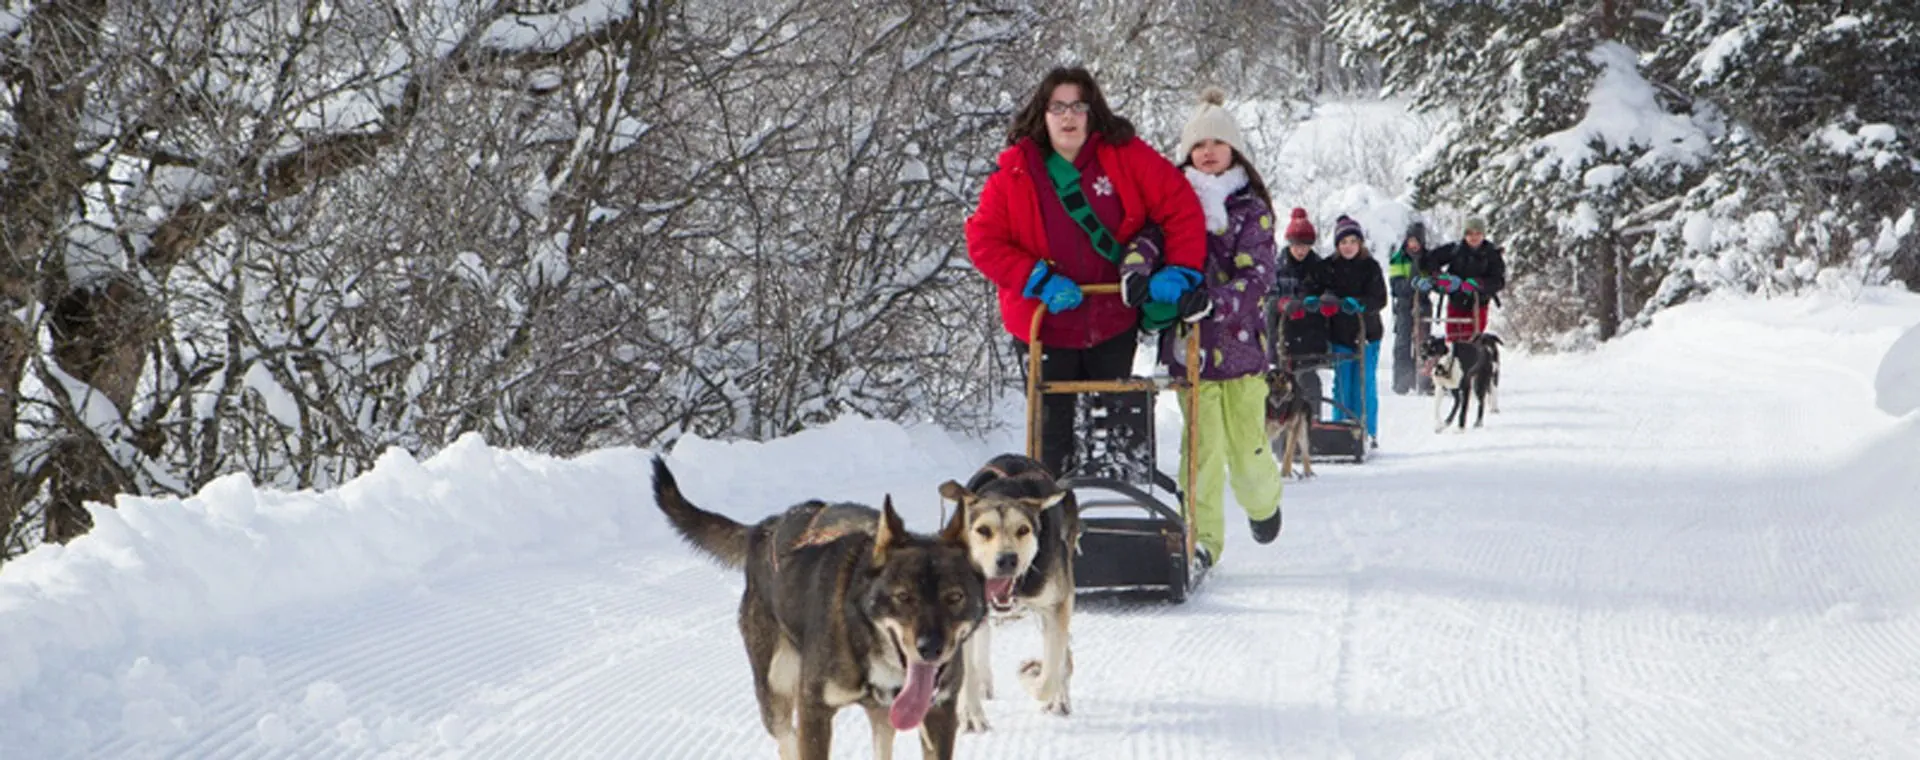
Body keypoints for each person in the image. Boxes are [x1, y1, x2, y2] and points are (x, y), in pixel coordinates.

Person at [965, 66, 1207, 478]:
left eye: (1077, 105)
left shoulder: (1125, 155)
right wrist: (1035, 279)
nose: (1068, 117)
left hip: (1111, 316)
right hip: (1046, 322)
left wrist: (1180, 270)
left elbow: (1179, 206)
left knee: (1113, 428)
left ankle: (1113, 520)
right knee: (1051, 436)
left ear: (1092, 112)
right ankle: (1052, 522)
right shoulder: (1016, 171)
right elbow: (984, 241)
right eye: (1057, 107)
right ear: (1043, 115)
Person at [1132, 87, 1283, 568]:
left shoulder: (1250, 209)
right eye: (1199, 145)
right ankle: (1201, 542)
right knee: (1200, 455)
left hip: (1240, 355)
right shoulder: (1173, 203)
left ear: (1233, 149)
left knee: (1246, 454)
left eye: (1217, 143)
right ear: (1187, 154)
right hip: (1189, 352)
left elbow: (1258, 277)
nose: (1208, 152)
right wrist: (1135, 269)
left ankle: (1264, 504)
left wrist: (1212, 303)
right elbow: (1148, 241)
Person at [1324, 215, 1388, 447]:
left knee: (1364, 382)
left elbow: (1380, 298)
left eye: (1352, 241)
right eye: (1343, 242)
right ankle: (1338, 431)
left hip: (1367, 333)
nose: (1348, 246)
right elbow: (1322, 289)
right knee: (1342, 384)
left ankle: (1367, 432)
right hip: (1340, 333)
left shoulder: (1370, 267)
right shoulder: (1329, 266)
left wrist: (1359, 303)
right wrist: (1328, 299)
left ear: (1359, 244)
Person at [1269, 208, 1333, 414]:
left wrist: (1322, 302)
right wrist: (1282, 304)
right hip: (1283, 333)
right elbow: (1268, 296)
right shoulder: (1277, 267)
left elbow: (1328, 291)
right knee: (1282, 384)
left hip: (1309, 334)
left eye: (1305, 245)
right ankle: (1283, 429)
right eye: (1297, 245)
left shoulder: (1319, 267)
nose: (1301, 250)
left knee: (1308, 380)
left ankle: (1313, 422)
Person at [1418, 215, 1507, 343]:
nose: (1474, 237)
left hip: (1478, 304)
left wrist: (1479, 284)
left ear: (1483, 235)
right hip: (1456, 300)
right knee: (1453, 341)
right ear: (1465, 234)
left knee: (1472, 342)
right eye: (1470, 233)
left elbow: (1498, 281)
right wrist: (1439, 276)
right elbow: (1430, 259)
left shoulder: (1491, 254)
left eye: (1477, 233)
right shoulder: (1456, 249)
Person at [1388, 221, 1433, 395]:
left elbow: (1435, 277)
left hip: (1422, 304)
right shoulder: (1399, 258)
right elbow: (1395, 286)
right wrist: (1411, 284)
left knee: (1424, 342)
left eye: (1417, 241)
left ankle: (1424, 380)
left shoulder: (1428, 258)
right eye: (1411, 240)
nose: (1413, 245)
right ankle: (1402, 381)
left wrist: (1430, 283)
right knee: (1402, 343)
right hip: (1404, 305)